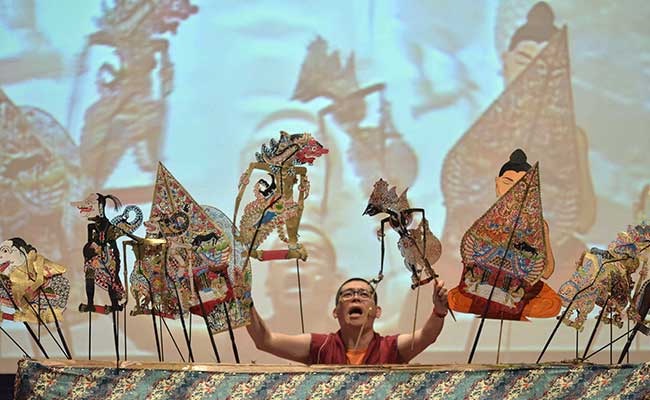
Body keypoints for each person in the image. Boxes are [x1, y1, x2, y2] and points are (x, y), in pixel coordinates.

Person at [447, 149, 562, 320]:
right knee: (454, 298)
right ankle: (503, 306)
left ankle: (502, 305)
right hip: (486, 283)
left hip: (518, 289)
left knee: (553, 304)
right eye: (508, 182)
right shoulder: (487, 221)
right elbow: (471, 258)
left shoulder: (538, 225)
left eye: (521, 185)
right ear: (497, 184)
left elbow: (546, 272)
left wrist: (540, 236)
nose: (514, 189)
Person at [246, 277, 449, 364]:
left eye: (364, 294)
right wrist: (244, 300)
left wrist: (439, 311)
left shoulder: (390, 348)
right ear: (336, 312)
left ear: (377, 312)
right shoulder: (320, 346)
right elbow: (265, 340)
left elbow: (426, 336)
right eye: (348, 294)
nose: (356, 298)